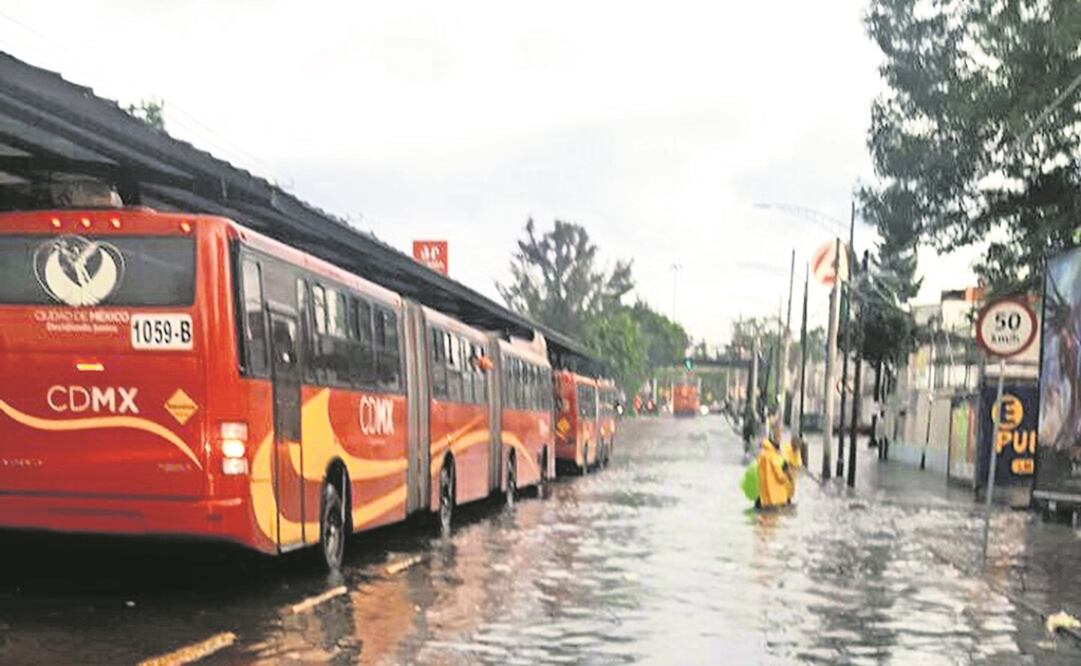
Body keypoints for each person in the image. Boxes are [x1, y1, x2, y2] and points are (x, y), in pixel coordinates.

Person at [756, 417, 794, 509]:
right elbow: (780, 477)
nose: (781, 439)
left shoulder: (762, 453)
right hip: (774, 500)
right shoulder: (773, 456)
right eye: (779, 436)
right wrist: (788, 475)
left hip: (763, 498)